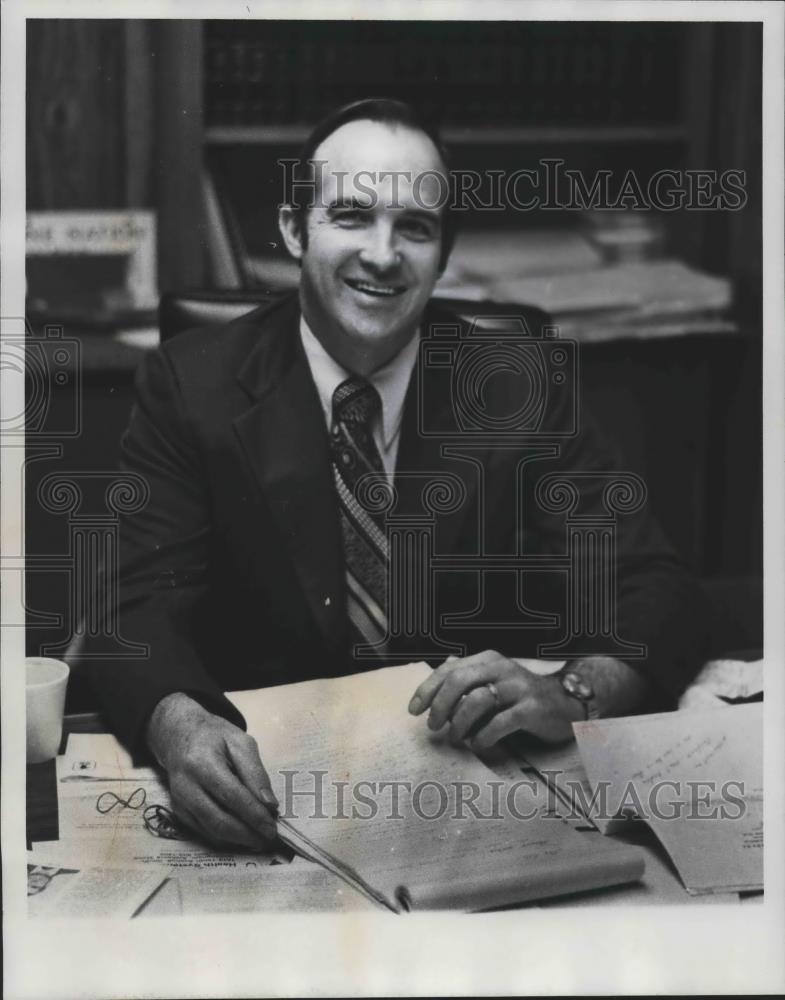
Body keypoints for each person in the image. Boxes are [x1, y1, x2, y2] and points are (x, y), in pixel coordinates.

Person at [87, 99, 706, 852]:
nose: (382, 255)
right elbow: (130, 601)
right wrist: (179, 724)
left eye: (414, 227)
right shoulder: (191, 384)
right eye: (350, 216)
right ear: (292, 229)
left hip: (473, 796)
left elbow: (652, 583)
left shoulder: (516, 383)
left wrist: (572, 691)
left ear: (441, 256)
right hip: (269, 789)